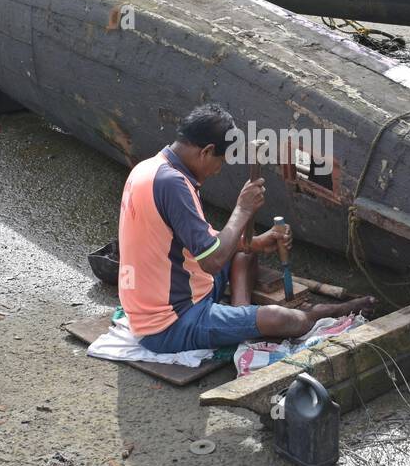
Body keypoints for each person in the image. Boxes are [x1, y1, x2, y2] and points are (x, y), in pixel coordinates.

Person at [118, 103, 373, 354]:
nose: (218, 171)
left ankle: (241, 313)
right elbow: (212, 261)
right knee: (287, 320)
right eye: (220, 161)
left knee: (246, 252)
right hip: (168, 324)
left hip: (173, 292)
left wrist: (256, 242)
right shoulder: (172, 184)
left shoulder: (152, 167)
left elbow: (202, 242)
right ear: (206, 151)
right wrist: (243, 209)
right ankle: (326, 312)